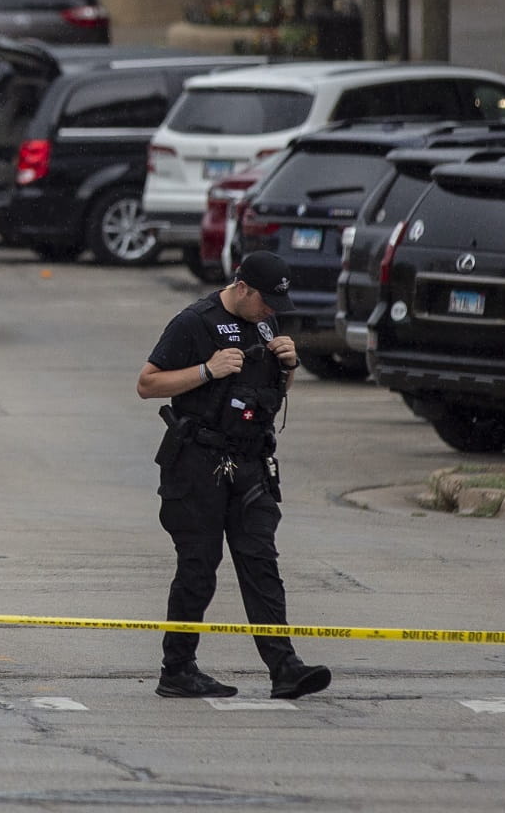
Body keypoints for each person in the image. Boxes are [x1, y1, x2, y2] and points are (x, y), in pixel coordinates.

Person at [136, 251, 332, 701]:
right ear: (242, 288)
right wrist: (207, 370)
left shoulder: (266, 323)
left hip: (250, 464)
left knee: (261, 562)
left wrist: (289, 367)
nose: (271, 313)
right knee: (199, 568)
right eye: (266, 302)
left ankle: (285, 667)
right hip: (197, 465)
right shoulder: (194, 322)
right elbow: (147, 384)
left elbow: (269, 396)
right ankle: (178, 669)